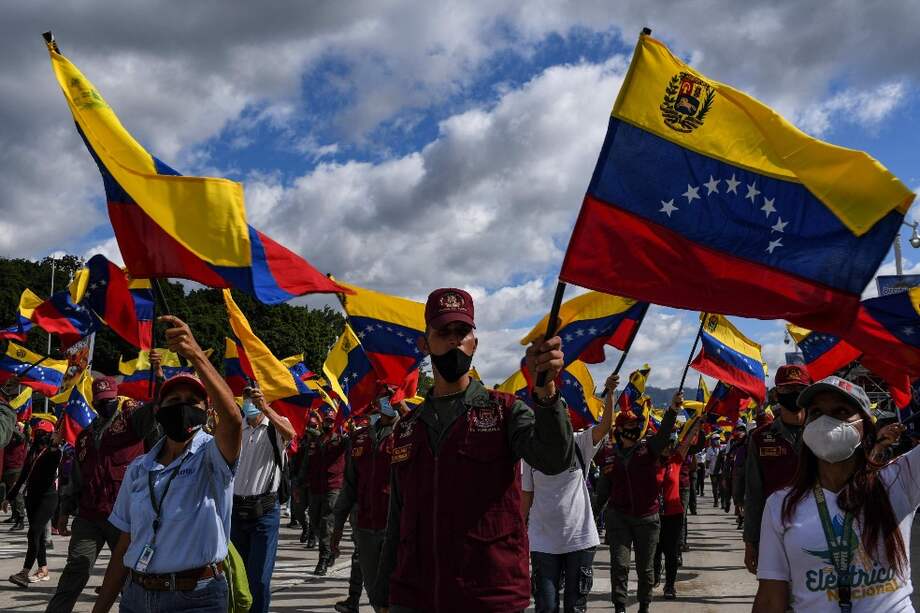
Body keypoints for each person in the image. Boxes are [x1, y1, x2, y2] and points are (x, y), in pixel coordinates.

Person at [369, 287, 574, 612]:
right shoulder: (408, 427)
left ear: (474, 343)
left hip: (490, 595)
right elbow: (398, 518)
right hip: (414, 597)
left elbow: (554, 459)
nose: (453, 340)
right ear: (425, 343)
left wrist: (547, 391)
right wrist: (383, 594)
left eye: (462, 331)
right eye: (443, 332)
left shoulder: (506, 412)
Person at [91, 315, 243, 613]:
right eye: (174, 401)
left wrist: (195, 354)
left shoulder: (213, 457)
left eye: (192, 401)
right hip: (136, 596)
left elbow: (234, 420)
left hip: (196, 599)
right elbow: (125, 544)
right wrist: (100, 608)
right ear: (158, 411)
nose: (182, 407)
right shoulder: (139, 468)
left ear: (206, 410)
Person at [753, 376, 916, 612]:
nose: (826, 421)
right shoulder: (780, 505)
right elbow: (770, 598)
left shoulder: (901, 479)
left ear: (865, 425)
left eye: (841, 411)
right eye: (816, 412)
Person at [46, 371, 161, 613]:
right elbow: (76, 477)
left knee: (129, 575)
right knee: (76, 566)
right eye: (101, 401)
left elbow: (156, 408)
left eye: (110, 400)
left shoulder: (131, 424)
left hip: (124, 516)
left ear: (117, 398)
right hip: (90, 514)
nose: (106, 404)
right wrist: (64, 511)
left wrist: (158, 378)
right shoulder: (85, 437)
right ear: (94, 403)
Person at [522, 371, 618, 613]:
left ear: (568, 417)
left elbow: (605, 426)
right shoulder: (531, 452)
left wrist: (611, 393)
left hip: (580, 538)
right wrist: (519, 533)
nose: (557, 415)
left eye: (562, 409)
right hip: (543, 540)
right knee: (545, 605)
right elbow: (526, 497)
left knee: (575, 606)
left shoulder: (580, 443)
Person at [594, 392, 683, 613]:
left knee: (645, 568)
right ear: (621, 429)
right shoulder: (608, 454)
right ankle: (620, 607)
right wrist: (592, 515)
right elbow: (603, 491)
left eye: (638, 425)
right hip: (619, 518)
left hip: (647, 518)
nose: (636, 429)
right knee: (620, 565)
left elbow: (663, 435)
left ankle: (644, 605)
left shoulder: (648, 450)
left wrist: (672, 410)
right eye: (632, 425)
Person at [330, 396, 400, 613]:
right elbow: (349, 486)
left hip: (396, 528)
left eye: (390, 397)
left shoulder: (409, 433)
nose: (385, 402)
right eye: (382, 398)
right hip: (365, 528)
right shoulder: (359, 438)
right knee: (375, 593)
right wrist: (337, 526)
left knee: (397, 593)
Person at [230, 385, 295, 613]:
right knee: (237, 576)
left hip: (264, 513)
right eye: (245, 397)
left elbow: (291, 433)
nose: (249, 402)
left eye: (253, 397)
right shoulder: (238, 428)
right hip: (236, 512)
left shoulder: (274, 427)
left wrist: (266, 408)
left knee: (258, 579)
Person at [743, 364, 812, 575]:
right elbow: (753, 493)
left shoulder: (824, 432)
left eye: (799, 390)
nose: (793, 394)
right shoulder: (759, 438)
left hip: (816, 529)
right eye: (787, 389)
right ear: (777, 393)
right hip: (774, 531)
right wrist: (751, 541)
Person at [7, 418, 63, 587]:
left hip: (48, 498)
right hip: (31, 498)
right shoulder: (32, 451)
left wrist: (54, 445)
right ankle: (43, 569)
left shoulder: (55, 452)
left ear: (50, 435)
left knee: (33, 533)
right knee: (36, 536)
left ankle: (24, 573)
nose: (40, 437)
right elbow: (24, 475)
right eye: (37, 433)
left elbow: (53, 462)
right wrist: (9, 497)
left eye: (43, 434)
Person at [306, 405, 347, 576]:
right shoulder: (316, 441)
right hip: (316, 487)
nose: (329, 424)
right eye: (327, 421)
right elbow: (307, 465)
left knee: (326, 523)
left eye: (332, 421)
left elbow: (349, 440)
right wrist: (301, 484)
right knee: (315, 522)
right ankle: (330, 550)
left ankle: (322, 559)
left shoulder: (340, 440)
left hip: (333, 487)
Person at [2, 420, 28, 531]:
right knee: (10, 494)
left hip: (16, 469)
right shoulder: (7, 436)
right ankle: (14, 516)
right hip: (7, 468)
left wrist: (10, 425)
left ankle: (20, 519)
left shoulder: (21, 438)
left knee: (17, 495)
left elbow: (22, 436)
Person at [705, 433, 723, 507]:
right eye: (715, 439)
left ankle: (723, 502)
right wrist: (707, 470)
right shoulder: (709, 450)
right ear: (712, 441)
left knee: (722, 487)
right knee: (714, 487)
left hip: (721, 471)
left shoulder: (722, 448)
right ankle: (716, 501)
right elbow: (707, 461)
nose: (717, 441)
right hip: (713, 472)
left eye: (718, 439)